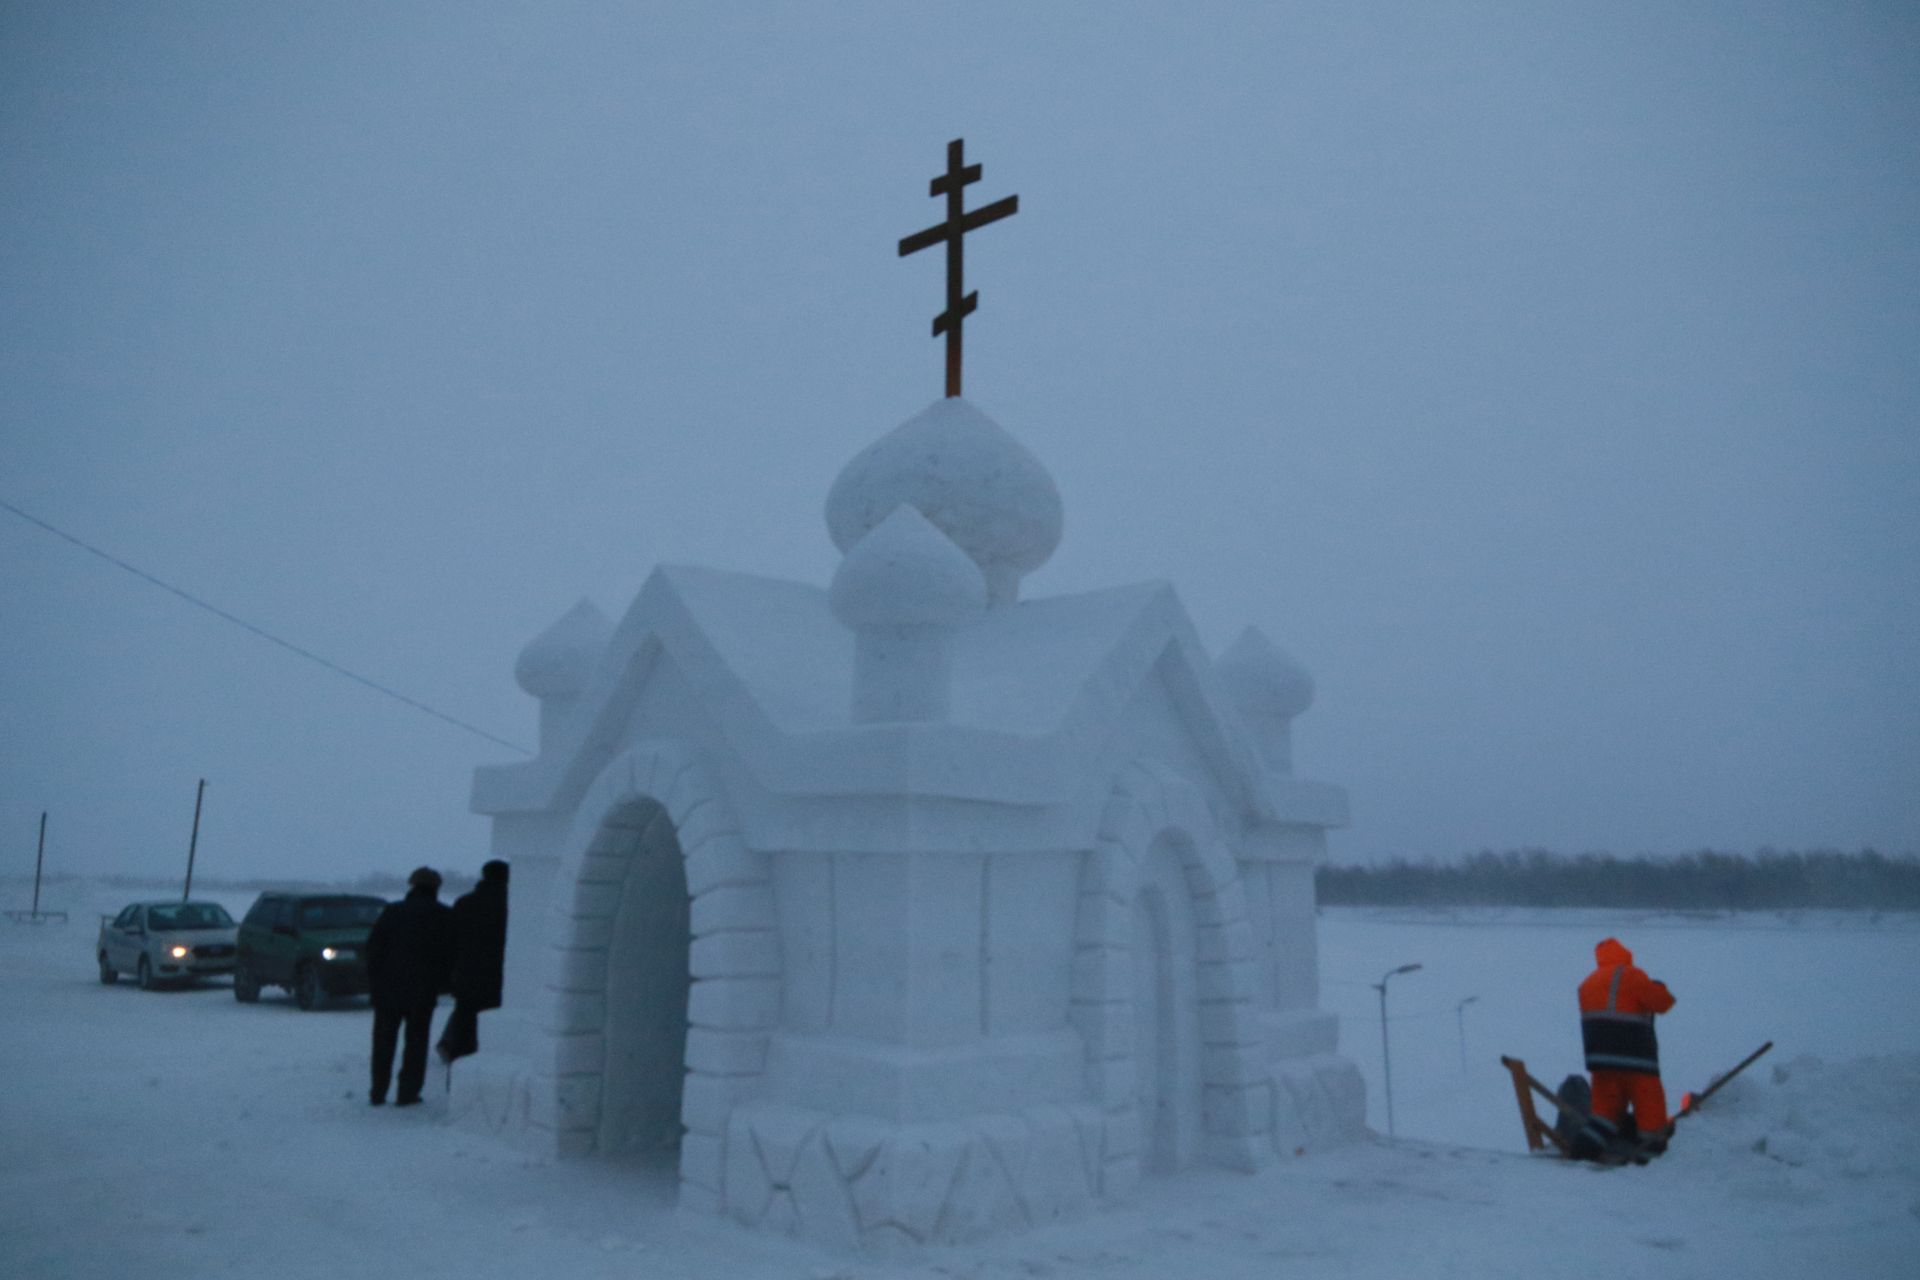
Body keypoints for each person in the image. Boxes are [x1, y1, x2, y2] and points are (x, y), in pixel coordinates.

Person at [366, 866, 455, 1107]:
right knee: (416, 1044)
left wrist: (374, 982)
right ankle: (408, 1093)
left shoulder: (392, 912)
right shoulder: (443, 915)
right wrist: (445, 984)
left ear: (412, 885)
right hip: (423, 992)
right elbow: (451, 955)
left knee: (383, 1043)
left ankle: (378, 1092)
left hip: (387, 990)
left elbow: (373, 950)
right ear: (436, 888)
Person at [1578, 936, 1676, 1154]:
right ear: (1625, 955)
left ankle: (1583, 1152)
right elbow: (1663, 1003)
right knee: (1651, 1117)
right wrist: (1658, 986)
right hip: (1636, 1060)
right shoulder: (1631, 975)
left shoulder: (1587, 984)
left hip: (1600, 1063)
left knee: (1604, 1117)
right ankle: (1649, 1161)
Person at [437, 860, 509, 1067]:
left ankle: (460, 1070)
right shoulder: (513, 904)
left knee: (465, 1025)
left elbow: (450, 941)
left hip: (467, 974)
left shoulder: (464, 903)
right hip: (500, 975)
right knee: (496, 1025)